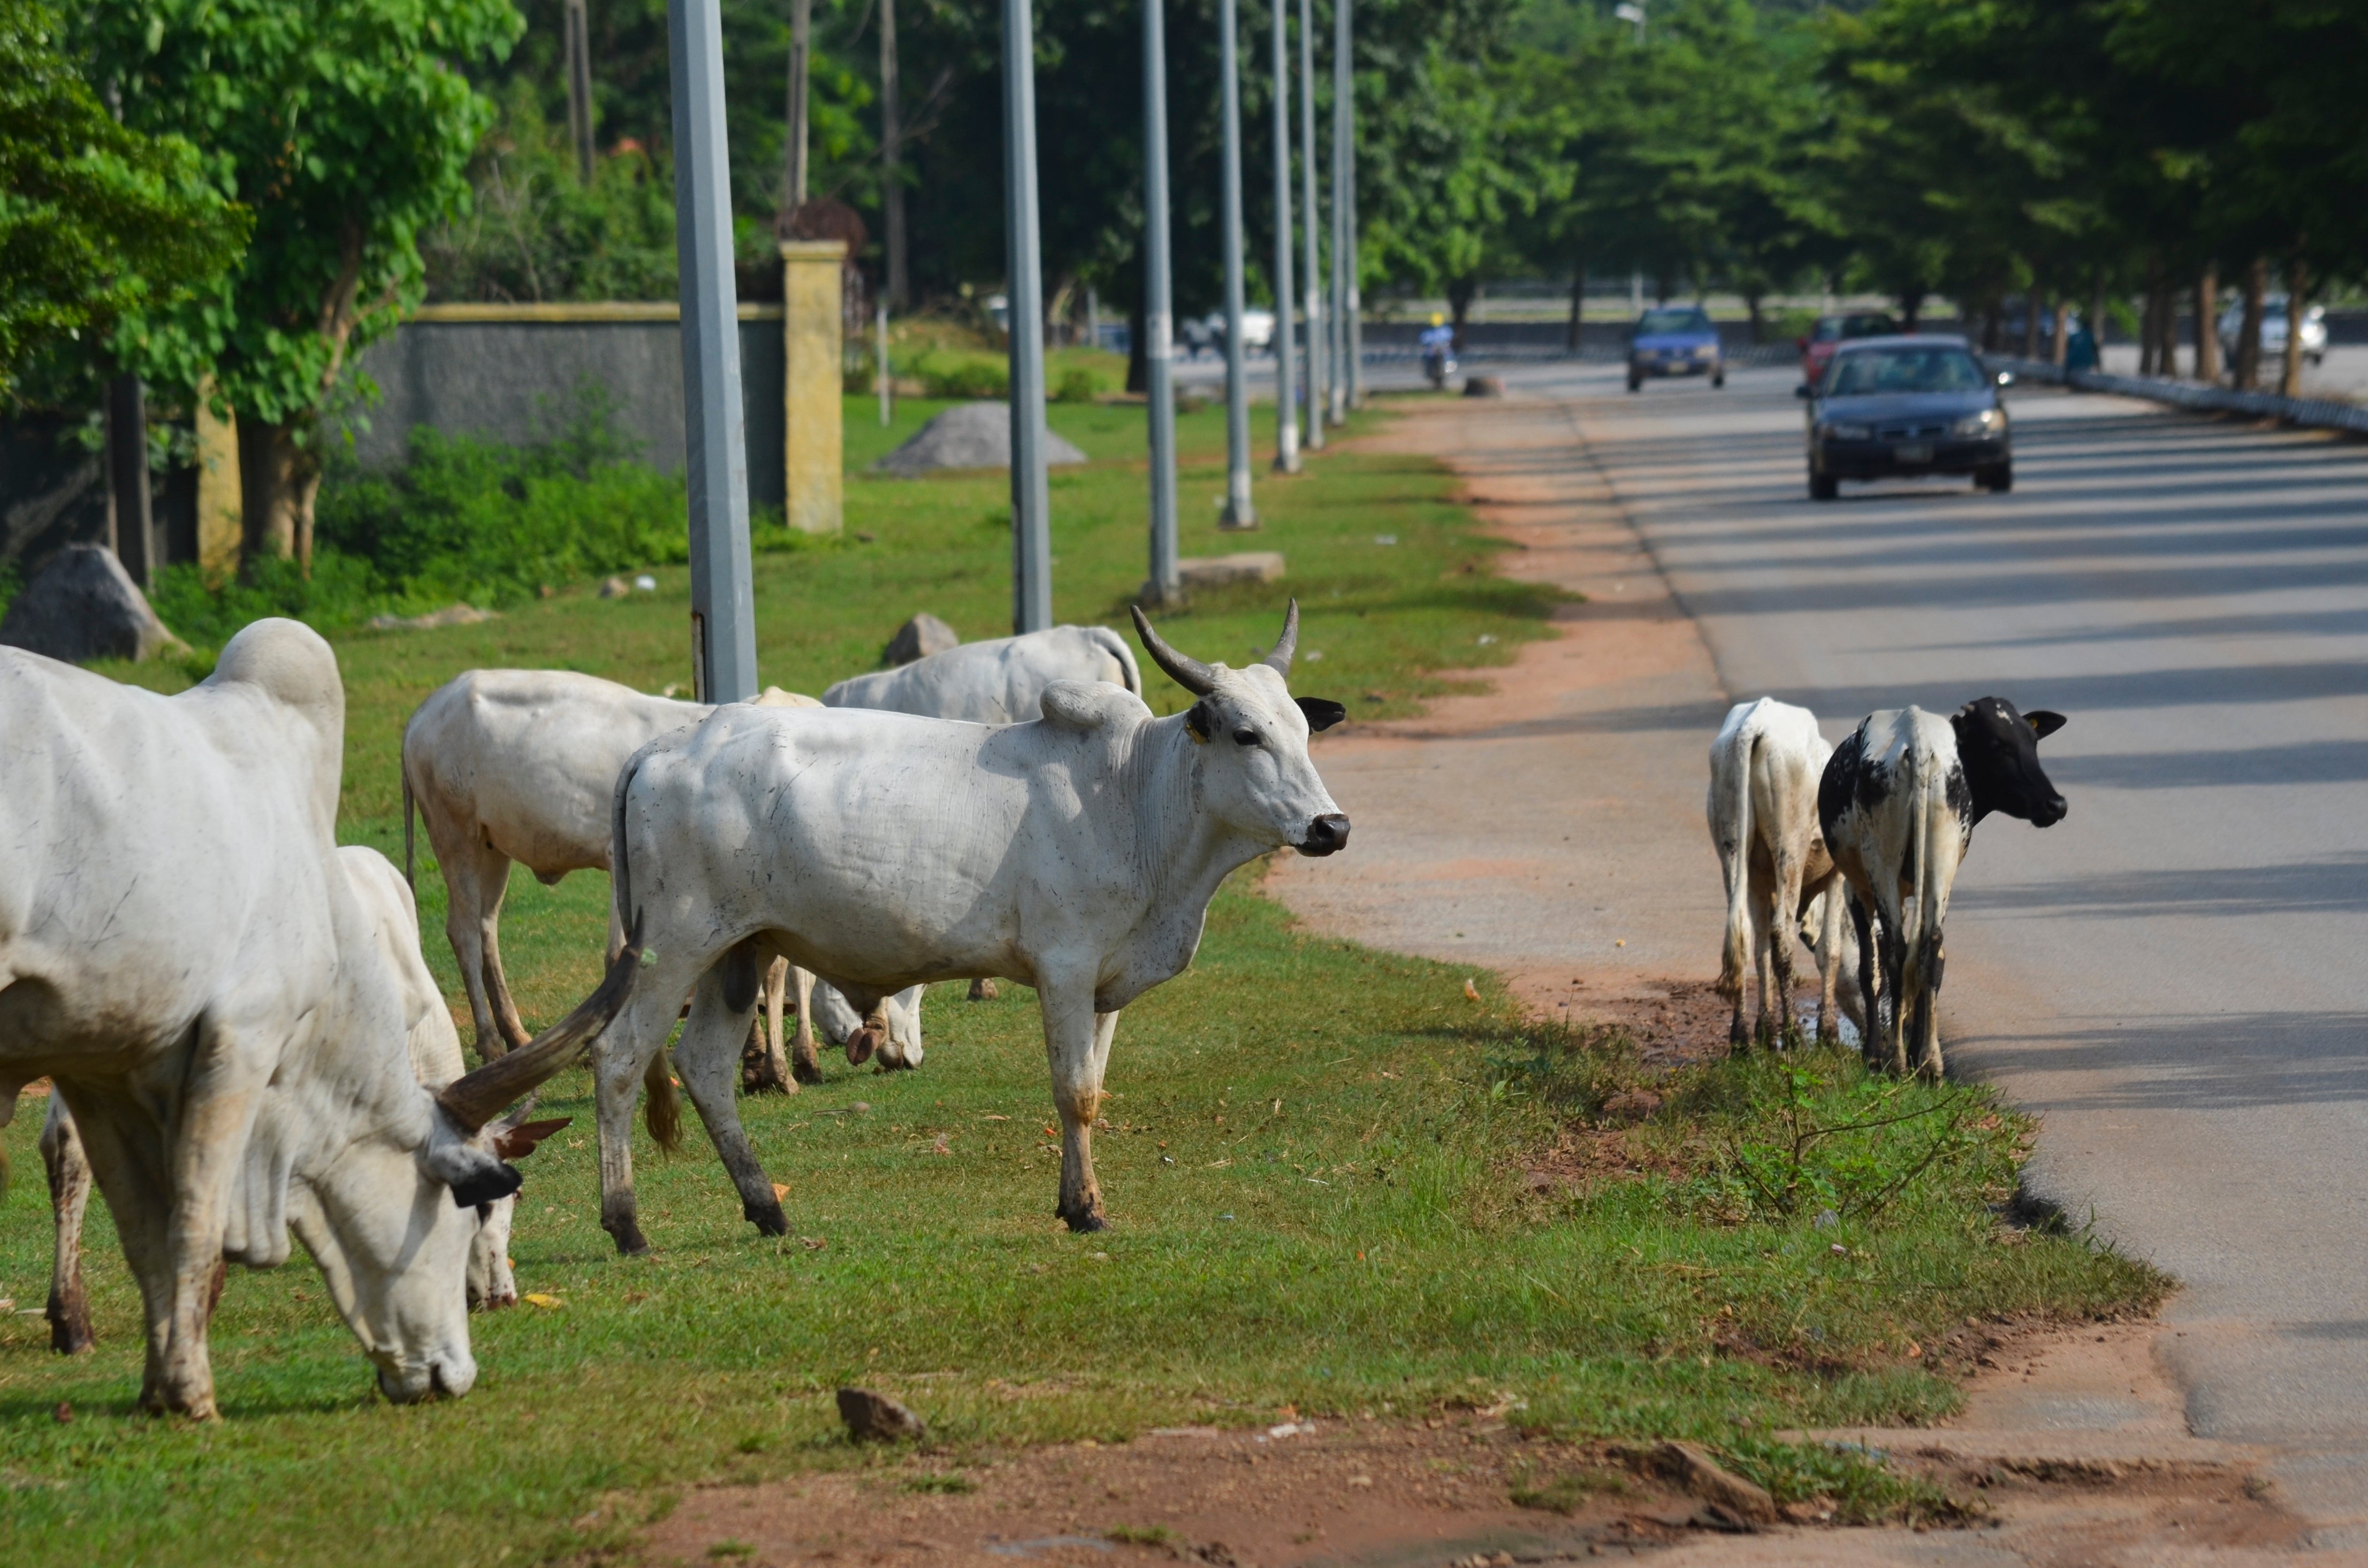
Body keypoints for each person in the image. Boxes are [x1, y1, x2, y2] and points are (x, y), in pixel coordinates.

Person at [1419, 312, 1456, 388]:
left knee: (1449, 357)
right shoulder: (1428, 331)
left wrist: (1445, 345)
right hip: (1433, 350)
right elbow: (1424, 340)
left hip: (1443, 349)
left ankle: (1449, 371)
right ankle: (1429, 372)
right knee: (1427, 356)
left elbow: (1449, 339)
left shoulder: (1446, 330)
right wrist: (1432, 346)